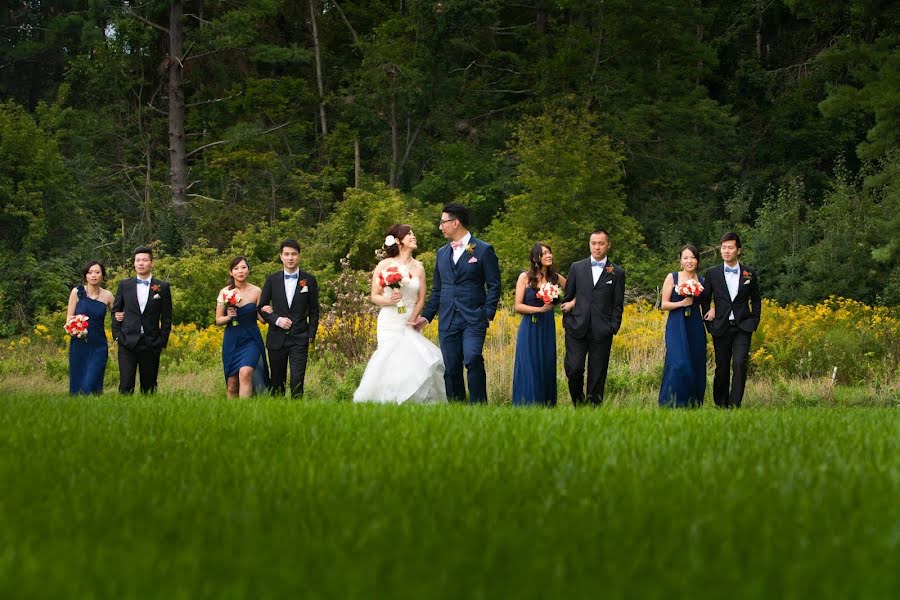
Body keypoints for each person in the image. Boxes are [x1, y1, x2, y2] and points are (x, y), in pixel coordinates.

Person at [413, 203, 501, 403]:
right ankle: (457, 409)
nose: (440, 226)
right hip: (448, 319)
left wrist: (487, 312)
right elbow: (437, 289)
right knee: (451, 367)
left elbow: (494, 284)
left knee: (472, 359)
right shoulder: (441, 253)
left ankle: (479, 408)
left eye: (443, 222)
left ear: (456, 223)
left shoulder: (484, 250)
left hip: (473, 318)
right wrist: (426, 317)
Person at [353, 225, 447, 404]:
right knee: (389, 360)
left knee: (414, 360)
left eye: (413, 233)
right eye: (409, 234)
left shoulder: (419, 267)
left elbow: (421, 299)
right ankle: (386, 401)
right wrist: (391, 300)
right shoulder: (385, 264)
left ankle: (412, 401)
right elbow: (375, 296)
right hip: (389, 320)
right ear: (398, 241)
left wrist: (412, 320)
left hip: (409, 320)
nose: (413, 236)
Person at [560, 229, 625, 406]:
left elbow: (618, 304)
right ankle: (579, 405)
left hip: (602, 330)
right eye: (593, 243)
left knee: (597, 374)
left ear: (608, 245)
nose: (597, 247)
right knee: (574, 369)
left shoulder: (617, 272)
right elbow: (568, 297)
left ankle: (593, 411)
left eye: (601, 243)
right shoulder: (576, 267)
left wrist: (613, 327)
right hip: (576, 328)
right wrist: (567, 321)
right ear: (589, 244)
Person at [701, 231, 761, 408]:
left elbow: (756, 299)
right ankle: (721, 403)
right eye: (723, 247)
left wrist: (754, 319)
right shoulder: (712, 273)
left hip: (743, 326)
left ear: (738, 250)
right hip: (721, 326)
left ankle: (734, 405)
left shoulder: (749, 273)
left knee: (740, 364)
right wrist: (709, 320)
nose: (726, 251)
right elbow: (704, 299)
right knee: (722, 367)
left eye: (730, 248)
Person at [258, 239, 319, 398]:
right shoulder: (272, 279)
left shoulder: (309, 280)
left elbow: (314, 310)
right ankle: (278, 418)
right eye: (286, 254)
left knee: (297, 382)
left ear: (299, 257)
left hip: (300, 338)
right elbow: (262, 307)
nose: (290, 258)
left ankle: (297, 419)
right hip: (276, 338)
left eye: (294, 254)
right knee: (277, 383)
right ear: (281, 257)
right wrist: (277, 319)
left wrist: (311, 334)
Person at [511, 243, 567, 407]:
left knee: (546, 363)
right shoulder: (525, 277)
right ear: (536, 258)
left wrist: (568, 304)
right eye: (544, 253)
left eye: (550, 252)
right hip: (529, 327)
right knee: (530, 365)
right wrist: (539, 309)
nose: (549, 255)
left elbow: (575, 288)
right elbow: (518, 306)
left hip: (547, 327)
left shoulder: (555, 277)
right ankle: (527, 404)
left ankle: (546, 405)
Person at [112, 246, 173, 394]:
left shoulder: (162, 287)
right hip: (127, 341)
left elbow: (167, 316)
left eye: (145, 260)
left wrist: (162, 340)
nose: (141, 263)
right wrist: (117, 335)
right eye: (138, 260)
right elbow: (116, 310)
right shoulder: (124, 285)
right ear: (134, 263)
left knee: (149, 386)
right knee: (126, 384)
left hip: (151, 341)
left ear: (152, 263)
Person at [658, 244, 707, 407]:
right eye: (686, 257)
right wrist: (682, 303)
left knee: (695, 362)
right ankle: (671, 402)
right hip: (676, 325)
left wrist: (712, 310)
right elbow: (663, 305)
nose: (689, 261)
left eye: (693, 257)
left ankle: (692, 403)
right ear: (680, 261)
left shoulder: (701, 281)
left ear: (698, 261)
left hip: (695, 325)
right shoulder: (672, 277)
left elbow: (705, 304)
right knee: (679, 363)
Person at [216, 256, 270, 398]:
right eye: (236, 268)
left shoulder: (256, 291)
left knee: (245, 373)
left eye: (243, 267)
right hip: (232, 339)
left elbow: (262, 320)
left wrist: (268, 311)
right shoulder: (224, 292)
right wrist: (229, 317)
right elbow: (218, 320)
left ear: (248, 270)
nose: (240, 271)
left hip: (251, 338)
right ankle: (234, 416)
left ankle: (244, 414)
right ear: (231, 272)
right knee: (232, 384)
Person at [67, 261, 115, 395]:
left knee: (92, 379)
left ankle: (93, 400)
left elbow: (117, 316)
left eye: (97, 272)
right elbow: (69, 318)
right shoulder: (77, 292)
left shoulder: (108, 296)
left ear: (102, 275)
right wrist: (77, 328)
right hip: (79, 343)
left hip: (99, 344)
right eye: (90, 272)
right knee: (78, 379)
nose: (93, 275)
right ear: (85, 275)